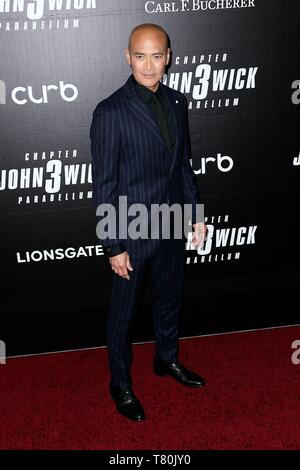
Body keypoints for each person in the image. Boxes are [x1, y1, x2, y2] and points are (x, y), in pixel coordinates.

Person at [90, 23, 207, 422]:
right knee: (123, 314)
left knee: (171, 298)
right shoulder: (110, 111)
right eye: (140, 56)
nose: (149, 65)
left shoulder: (177, 102)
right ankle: (120, 383)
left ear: (169, 57)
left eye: (157, 56)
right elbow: (103, 184)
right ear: (128, 57)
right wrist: (113, 244)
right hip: (133, 228)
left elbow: (183, 167)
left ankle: (166, 360)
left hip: (172, 220)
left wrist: (194, 213)